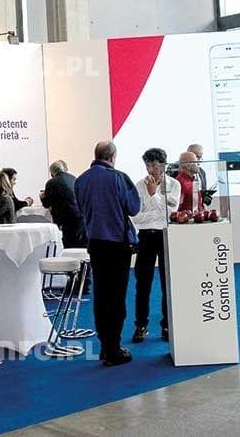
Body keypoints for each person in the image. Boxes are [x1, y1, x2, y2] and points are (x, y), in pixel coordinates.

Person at [75, 141, 140, 367]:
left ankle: (105, 345)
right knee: (116, 297)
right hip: (117, 245)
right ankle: (114, 349)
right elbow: (133, 208)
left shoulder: (81, 180)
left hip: (95, 243)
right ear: (112, 157)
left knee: (101, 296)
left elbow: (80, 209)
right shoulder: (118, 178)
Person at [132, 148, 178, 343]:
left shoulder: (174, 184)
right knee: (143, 284)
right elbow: (136, 217)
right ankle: (141, 325)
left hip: (166, 235)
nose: (151, 169)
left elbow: (172, 213)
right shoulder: (138, 185)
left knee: (168, 282)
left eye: (154, 165)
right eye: (148, 165)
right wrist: (158, 209)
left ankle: (167, 325)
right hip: (145, 237)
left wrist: (153, 196)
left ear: (163, 164)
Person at [41, 160, 86, 248]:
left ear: (52, 174)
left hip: (65, 220)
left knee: (67, 247)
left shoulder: (51, 183)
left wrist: (42, 197)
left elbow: (47, 204)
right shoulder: (74, 178)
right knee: (79, 247)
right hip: (80, 217)